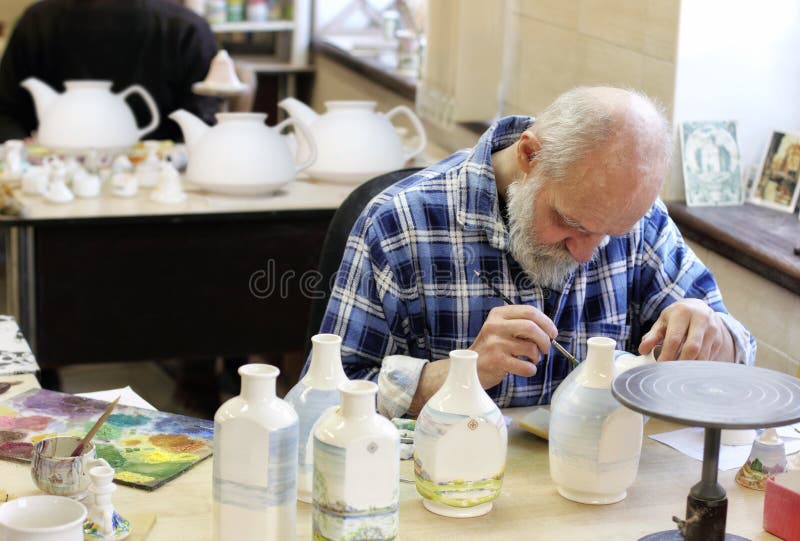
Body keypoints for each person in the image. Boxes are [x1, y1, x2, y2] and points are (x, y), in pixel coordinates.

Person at [311, 86, 757, 419]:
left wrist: (712, 334)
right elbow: (325, 399)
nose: (586, 253)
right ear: (529, 155)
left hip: (597, 484)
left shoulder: (638, 218)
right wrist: (462, 372)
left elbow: (739, 352)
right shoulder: (399, 223)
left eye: (609, 234)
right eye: (572, 223)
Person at [0, 0, 218, 143]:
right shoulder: (188, 28)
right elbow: (201, 122)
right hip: (163, 182)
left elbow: (6, 111)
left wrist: (19, 155)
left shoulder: (39, 20)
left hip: (51, 180)